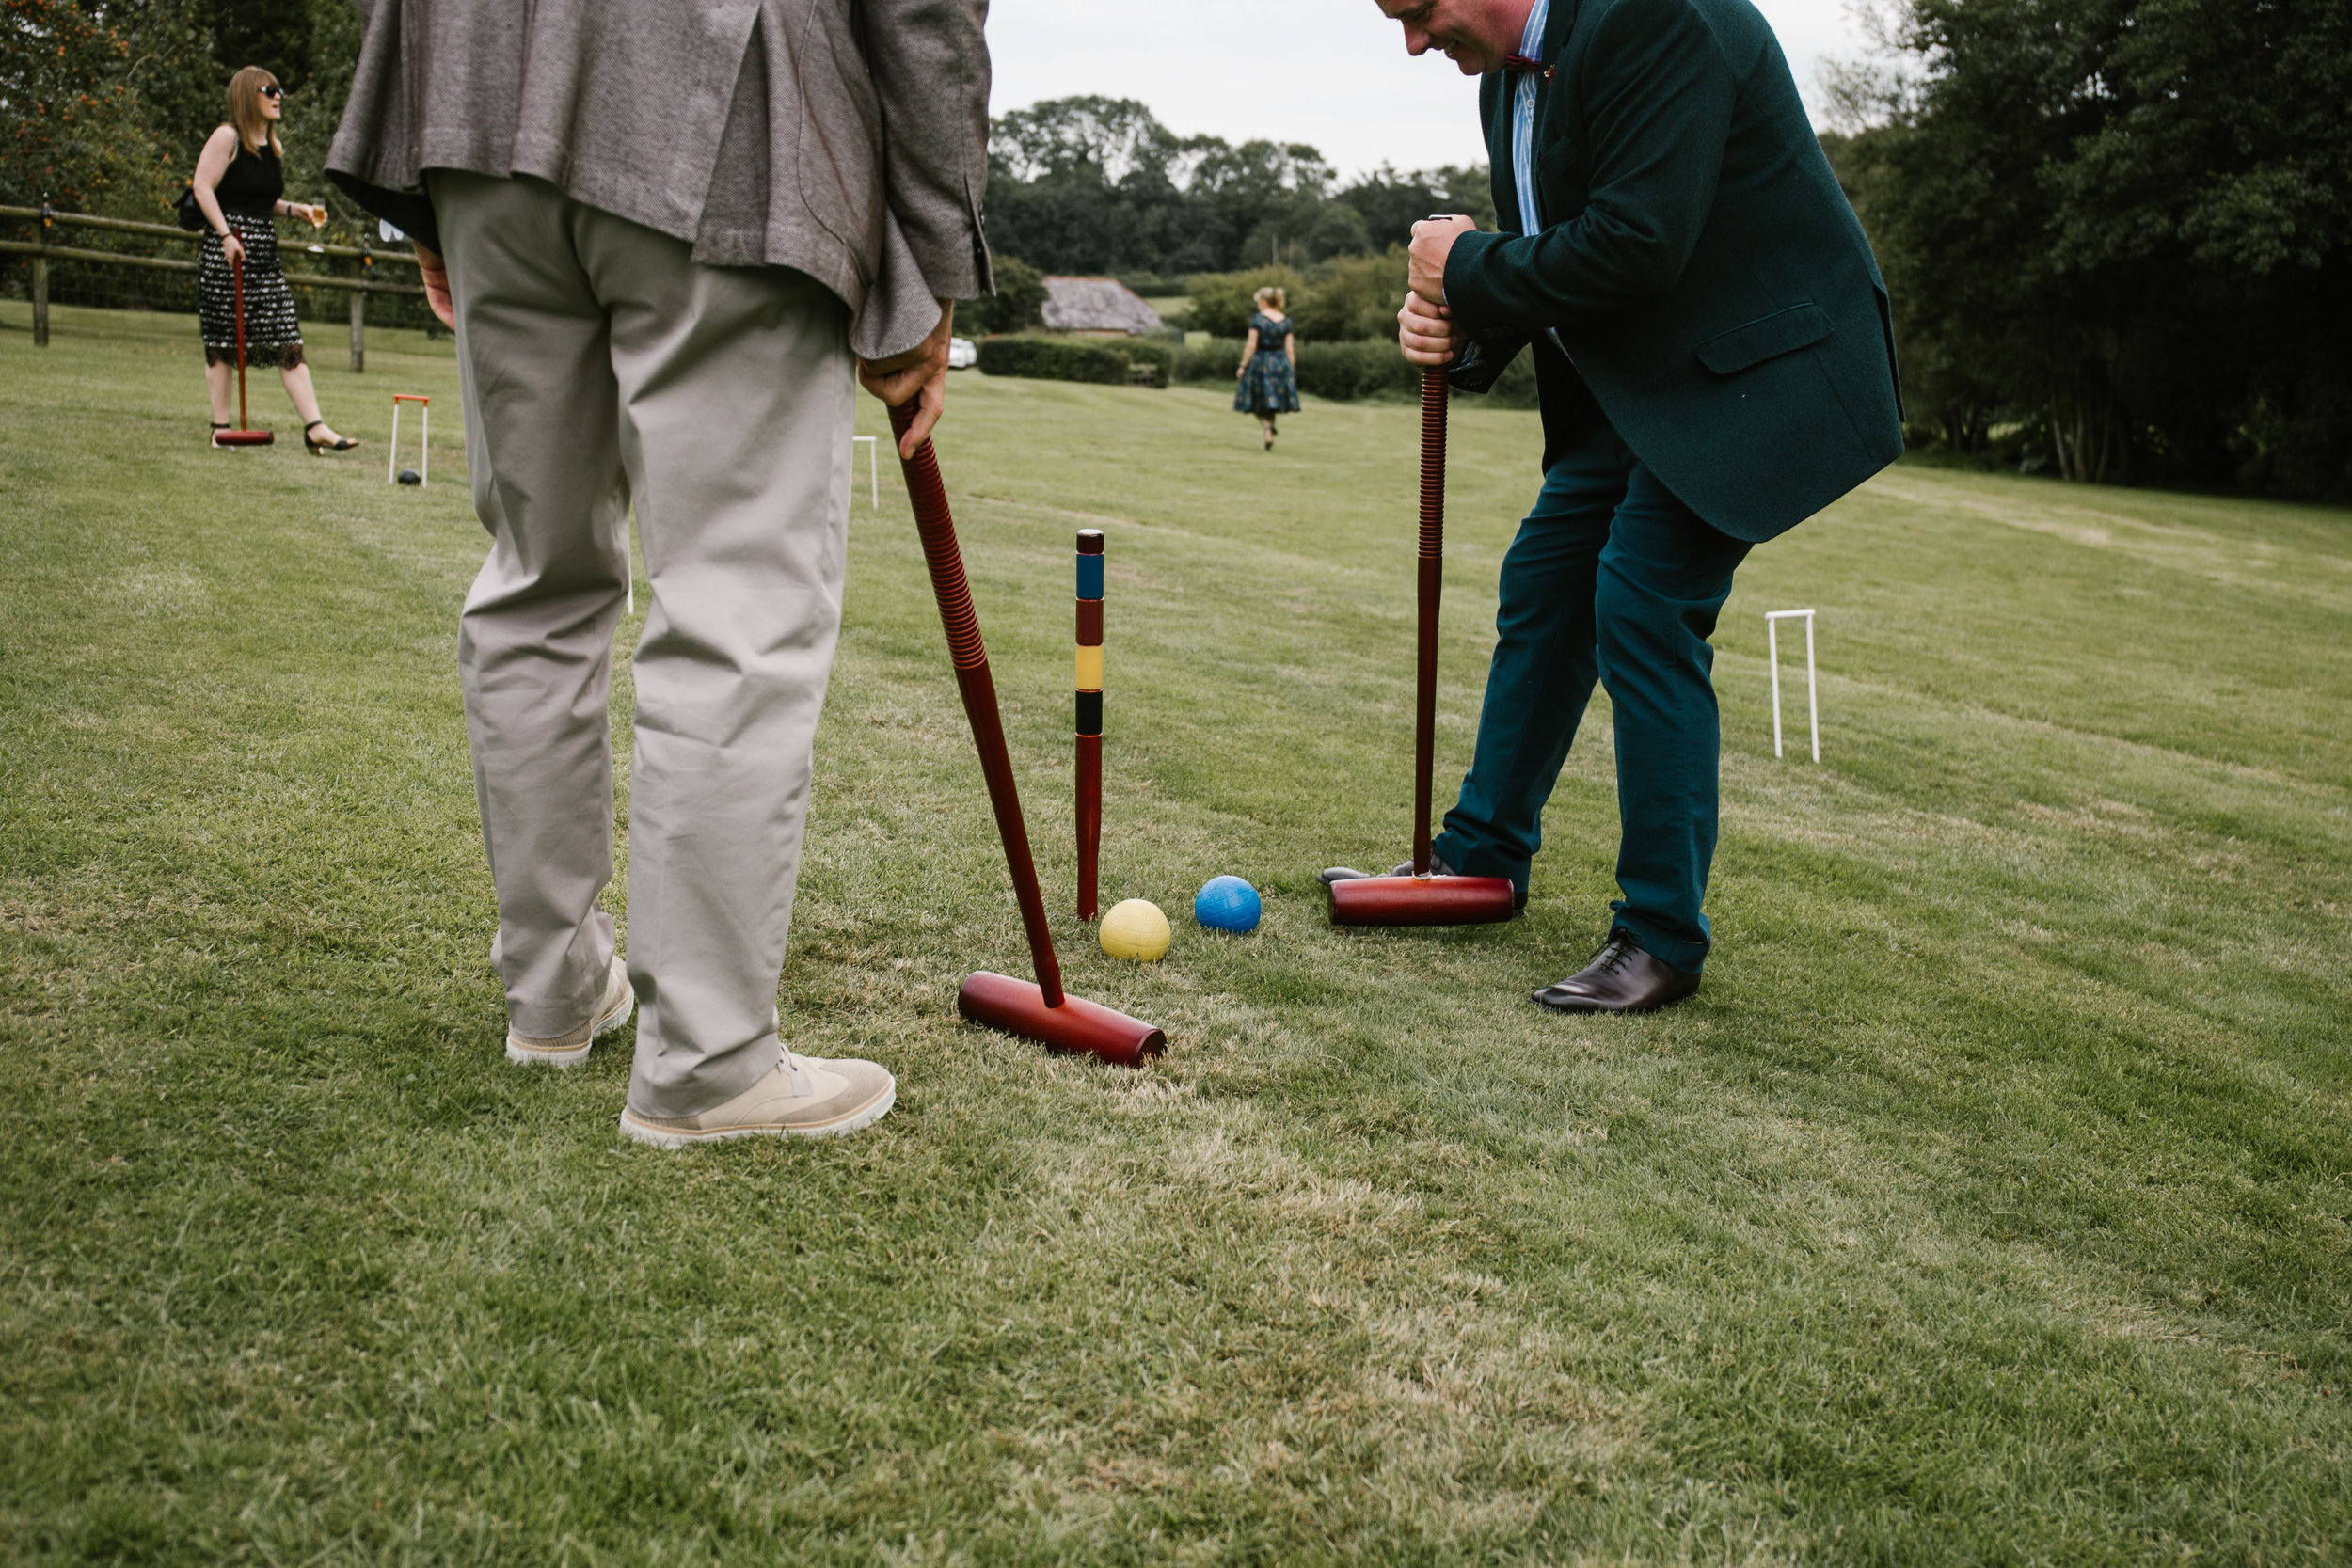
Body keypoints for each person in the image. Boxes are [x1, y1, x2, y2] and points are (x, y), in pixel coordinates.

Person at [326, 0, 990, 1145]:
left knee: (538, 577)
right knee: (735, 606)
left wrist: (418, 181)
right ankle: (709, 1062)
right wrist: (926, 261)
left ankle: (554, 995)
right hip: (729, 115)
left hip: (479, 109)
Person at [1323, 0, 1903, 1013]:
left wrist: (1462, 265)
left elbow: (1636, 245)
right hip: (1647, 383)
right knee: (1545, 584)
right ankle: (1482, 861)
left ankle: (1661, 935)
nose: (1412, 45)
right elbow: (1559, 256)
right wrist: (1460, 325)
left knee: (1641, 601)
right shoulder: (1511, 70)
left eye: (1417, 13)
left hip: (1759, 369)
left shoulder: (1657, 17)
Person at [190, 68, 358, 452]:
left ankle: (315, 426)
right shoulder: (226, 137)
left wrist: (293, 209)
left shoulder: (270, 145)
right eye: (271, 90)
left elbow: (257, 201)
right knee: (222, 343)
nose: (278, 96)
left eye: (279, 90)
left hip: (263, 257)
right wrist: (226, 235)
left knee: (288, 338)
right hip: (227, 254)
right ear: (250, 96)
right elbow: (202, 186)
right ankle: (220, 429)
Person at [1232, 286, 1301, 449]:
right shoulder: (1285, 321)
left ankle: (1268, 427)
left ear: (1263, 301)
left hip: (1262, 362)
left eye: (1258, 302)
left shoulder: (1258, 319)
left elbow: (1251, 346)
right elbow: (1290, 348)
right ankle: (1269, 433)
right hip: (1281, 362)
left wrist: (1243, 365)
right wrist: (1290, 369)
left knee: (1254, 399)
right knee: (1273, 402)